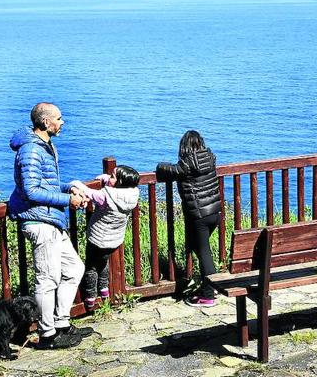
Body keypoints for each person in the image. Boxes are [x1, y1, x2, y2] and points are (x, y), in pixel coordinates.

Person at [8, 102, 93, 349]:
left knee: (74, 269)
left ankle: (61, 322)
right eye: (59, 118)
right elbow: (32, 190)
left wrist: (69, 188)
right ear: (46, 123)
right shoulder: (31, 151)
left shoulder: (45, 146)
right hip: (39, 221)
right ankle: (47, 335)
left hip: (51, 220)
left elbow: (45, 184)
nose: (62, 122)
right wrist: (69, 199)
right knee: (47, 279)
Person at [156, 130, 221, 308]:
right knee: (198, 248)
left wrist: (159, 166)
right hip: (215, 212)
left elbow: (168, 170)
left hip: (199, 216)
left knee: (204, 253)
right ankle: (209, 286)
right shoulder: (210, 157)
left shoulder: (186, 164)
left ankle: (208, 295)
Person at [70, 165, 140, 309]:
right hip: (114, 239)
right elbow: (114, 185)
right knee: (103, 262)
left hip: (98, 238)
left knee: (91, 266)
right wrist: (106, 178)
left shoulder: (105, 196)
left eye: (112, 176)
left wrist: (75, 184)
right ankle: (104, 289)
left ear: (119, 183)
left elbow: (88, 192)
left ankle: (90, 297)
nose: (109, 177)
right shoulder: (131, 194)